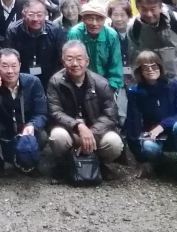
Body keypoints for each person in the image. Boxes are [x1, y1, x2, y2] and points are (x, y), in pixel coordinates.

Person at [125, 51, 177, 193]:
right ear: (140, 71)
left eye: (154, 66)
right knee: (148, 147)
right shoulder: (135, 92)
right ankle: (162, 163)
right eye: (146, 67)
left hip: (176, 133)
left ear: (160, 67)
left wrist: (162, 125)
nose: (151, 70)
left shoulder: (174, 85)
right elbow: (133, 122)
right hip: (154, 136)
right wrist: (140, 158)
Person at [47, 41, 123, 174]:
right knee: (57, 137)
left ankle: (98, 164)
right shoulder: (55, 82)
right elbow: (55, 111)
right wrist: (79, 126)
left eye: (79, 59)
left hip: (96, 131)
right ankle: (65, 165)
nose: (75, 63)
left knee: (114, 143)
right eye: (69, 59)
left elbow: (110, 114)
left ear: (87, 61)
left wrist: (91, 133)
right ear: (63, 62)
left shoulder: (101, 83)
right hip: (70, 131)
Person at [129, 0, 177, 108]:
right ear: (138, 8)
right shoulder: (133, 27)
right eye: (144, 9)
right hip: (153, 77)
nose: (149, 14)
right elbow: (134, 50)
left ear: (160, 7)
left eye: (153, 9)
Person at [0, 48, 48, 174]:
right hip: (3, 135)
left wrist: (32, 125)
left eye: (14, 66)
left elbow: (41, 113)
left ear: (20, 65)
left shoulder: (33, 82)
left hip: (25, 131)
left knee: (42, 136)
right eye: (5, 66)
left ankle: (28, 160)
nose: (10, 71)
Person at [4, 0, 66, 91]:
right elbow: (10, 57)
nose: (35, 19)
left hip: (49, 75)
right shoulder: (14, 31)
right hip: (22, 75)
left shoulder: (55, 30)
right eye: (31, 15)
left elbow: (60, 59)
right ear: (23, 15)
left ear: (45, 15)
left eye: (39, 15)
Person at [67, 4, 124, 94]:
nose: (94, 23)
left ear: (104, 20)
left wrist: (111, 88)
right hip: (80, 83)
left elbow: (115, 65)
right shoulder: (75, 33)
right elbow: (71, 63)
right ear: (83, 19)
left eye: (99, 19)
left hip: (105, 83)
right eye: (90, 19)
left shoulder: (111, 35)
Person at [107, 0, 134, 123]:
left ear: (129, 16)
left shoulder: (135, 31)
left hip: (135, 75)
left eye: (122, 15)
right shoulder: (108, 34)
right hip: (116, 77)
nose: (119, 19)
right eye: (115, 15)